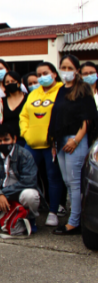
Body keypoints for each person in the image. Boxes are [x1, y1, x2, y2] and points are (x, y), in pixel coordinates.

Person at [49, 55, 98, 235]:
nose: (66, 71)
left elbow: (87, 119)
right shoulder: (61, 90)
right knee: (68, 182)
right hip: (61, 141)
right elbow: (57, 117)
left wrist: (76, 140)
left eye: (70, 68)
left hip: (74, 140)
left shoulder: (83, 89)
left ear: (77, 70)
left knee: (75, 183)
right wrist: (54, 141)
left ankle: (74, 222)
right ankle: (74, 216)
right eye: (63, 67)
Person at [19, 61, 65, 227]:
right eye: (38, 75)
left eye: (45, 73)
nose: (41, 77)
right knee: (25, 176)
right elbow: (24, 115)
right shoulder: (33, 94)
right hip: (32, 144)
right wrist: (26, 133)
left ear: (54, 73)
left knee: (53, 177)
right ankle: (27, 209)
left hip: (52, 145)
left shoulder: (62, 90)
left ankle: (53, 211)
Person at [2, 71, 26, 146]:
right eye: (7, 82)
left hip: (25, 139)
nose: (10, 83)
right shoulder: (1, 101)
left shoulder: (28, 98)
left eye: (13, 81)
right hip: (7, 140)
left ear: (18, 82)